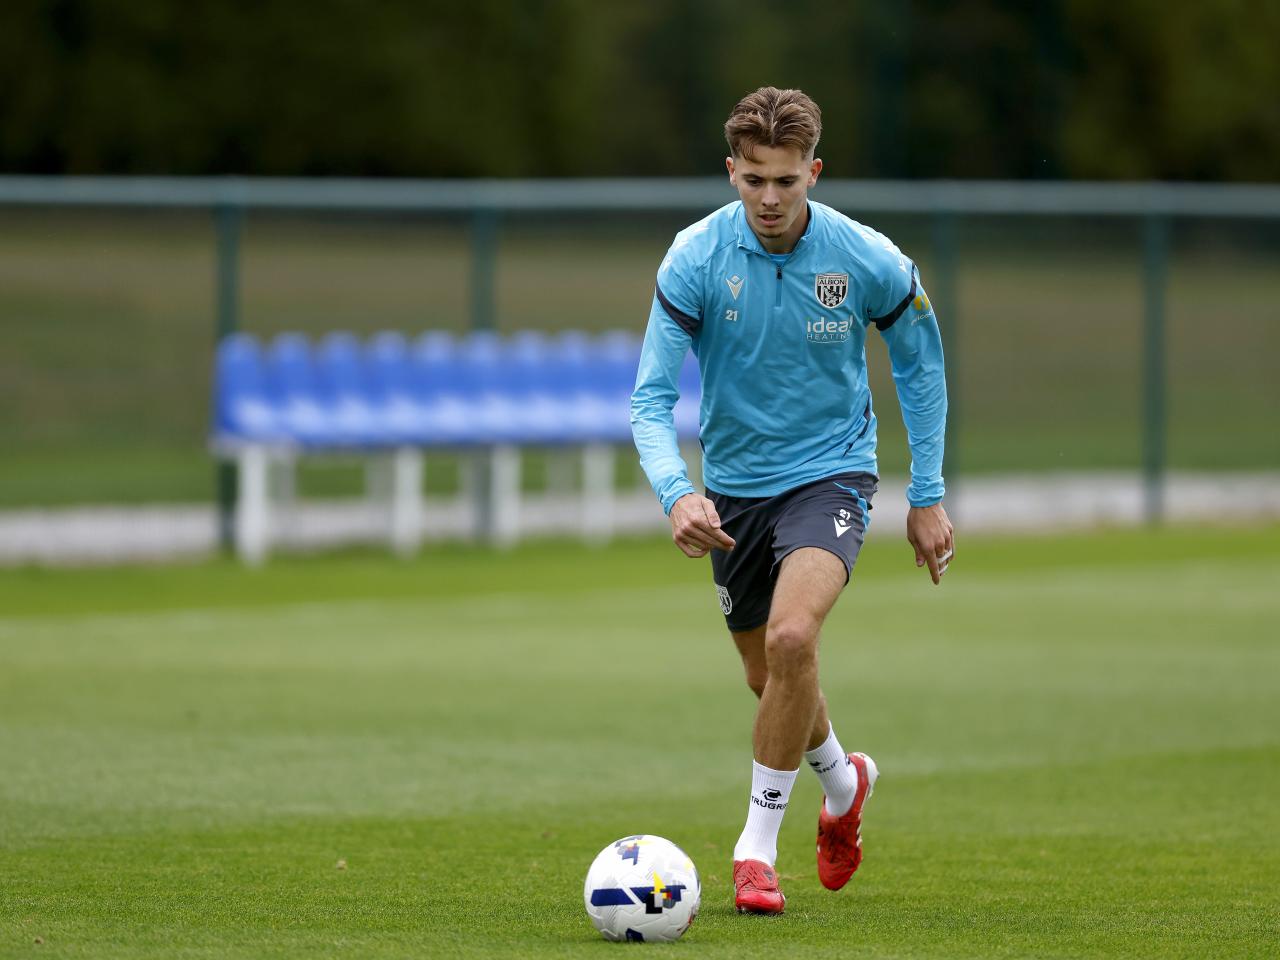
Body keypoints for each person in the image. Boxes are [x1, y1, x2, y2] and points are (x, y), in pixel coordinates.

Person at [630, 86, 954, 914]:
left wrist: (927, 493)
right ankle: (844, 782)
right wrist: (677, 495)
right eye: (753, 182)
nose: (770, 200)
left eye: (787, 182)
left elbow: (919, 359)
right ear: (730, 171)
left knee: (793, 634)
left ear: (814, 171)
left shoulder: (865, 256)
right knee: (767, 671)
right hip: (734, 489)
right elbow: (649, 399)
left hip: (831, 474)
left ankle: (755, 850)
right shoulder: (695, 257)